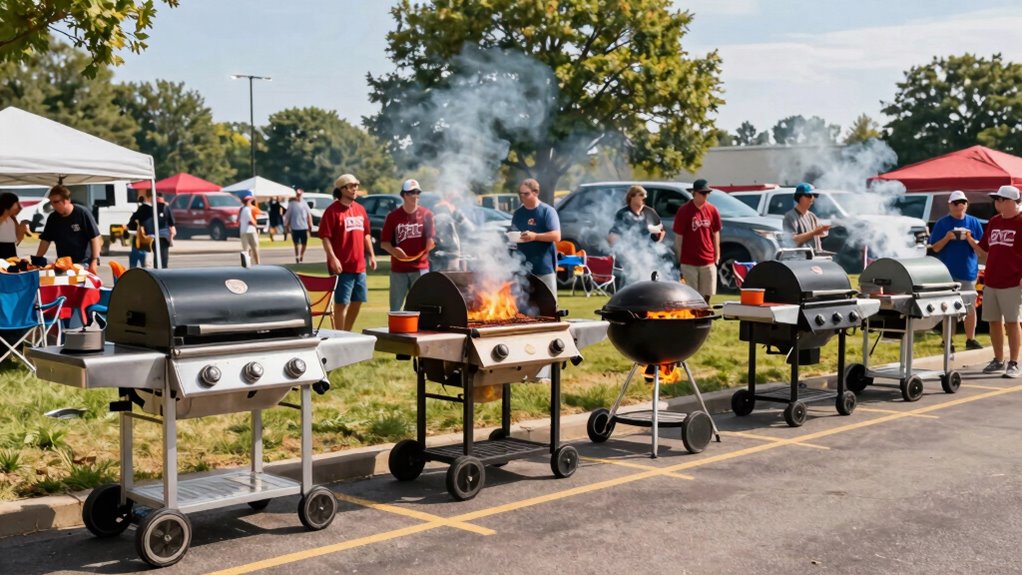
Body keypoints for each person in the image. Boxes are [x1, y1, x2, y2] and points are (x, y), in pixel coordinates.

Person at [928, 190, 985, 351]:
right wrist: (947, 237)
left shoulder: (973, 222)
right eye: (956, 203)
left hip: (968, 271)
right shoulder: (942, 223)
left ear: (966, 205)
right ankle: (947, 341)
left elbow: (981, 249)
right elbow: (936, 248)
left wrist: (970, 239)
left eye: (963, 202)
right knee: (948, 307)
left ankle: (970, 339)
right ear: (950, 205)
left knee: (970, 307)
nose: (960, 205)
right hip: (947, 273)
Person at [975, 185, 1022, 378]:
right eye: (996, 199)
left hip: (1013, 281)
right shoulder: (994, 221)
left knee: (1012, 322)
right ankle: (998, 359)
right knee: (993, 321)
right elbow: (985, 250)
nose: (997, 202)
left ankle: (1014, 363)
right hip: (992, 279)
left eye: (1001, 199)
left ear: (1011, 201)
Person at [320, 173, 377, 330]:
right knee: (341, 303)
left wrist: (371, 255)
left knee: (358, 300)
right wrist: (333, 258)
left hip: (359, 265)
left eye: (356, 186)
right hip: (342, 266)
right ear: (342, 189)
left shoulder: (360, 209)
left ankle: (347, 332)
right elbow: (325, 237)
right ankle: (339, 336)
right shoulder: (332, 211)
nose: (355, 189)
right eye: (351, 186)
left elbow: (366, 234)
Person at [381, 179, 435, 311]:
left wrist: (430, 243)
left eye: (418, 192)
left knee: (421, 307)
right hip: (399, 269)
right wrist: (394, 252)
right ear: (404, 195)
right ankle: (395, 331)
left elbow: (431, 238)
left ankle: (420, 331)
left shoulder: (426, 214)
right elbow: (384, 243)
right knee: (395, 308)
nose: (416, 196)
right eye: (412, 193)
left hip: (420, 267)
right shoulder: (393, 217)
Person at [673, 179, 721, 303]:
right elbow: (679, 236)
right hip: (689, 261)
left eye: (707, 193)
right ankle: (693, 318)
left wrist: (717, 254)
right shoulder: (684, 211)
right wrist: (679, 257)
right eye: (702, 193)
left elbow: (716, 233)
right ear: (694, 193)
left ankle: (704, 314)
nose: (706, 196)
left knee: (708, 292)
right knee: (691, 294)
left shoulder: (712, 210)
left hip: (708, 260)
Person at [512, 178, 561, 298]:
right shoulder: (518, 214)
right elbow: (514, 234)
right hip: (523, 269)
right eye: (521, 194)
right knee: (525, 309)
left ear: (535, 192)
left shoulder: (547, 211)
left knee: (549, 307)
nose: (522, 197)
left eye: (526, 194)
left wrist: (535, 236)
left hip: (544, 267)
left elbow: (556, 236)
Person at [35, 185, 101, 274]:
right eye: (51, 202)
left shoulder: (82, 213)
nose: (53, 206)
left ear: (66, 201)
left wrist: (95, 261)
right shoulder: (53, 218)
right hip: (63, 263)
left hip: (83, 262)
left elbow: (95, 238)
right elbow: (45, 240)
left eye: (56, 202)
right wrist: (37, 259)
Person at [127, 190, 176, 269]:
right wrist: (170, 237)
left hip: (147, 240)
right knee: (162, 265)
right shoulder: (164, 207)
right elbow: (172, 227)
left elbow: (131, 225)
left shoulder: (142, 209)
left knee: (147, 265)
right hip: (162, 238)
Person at [429, 191, 474, 272]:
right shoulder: (445, 211)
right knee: (451, 273)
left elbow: (469, 229)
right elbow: (470, 229)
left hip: (448, 251)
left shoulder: (453, 212)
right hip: (446, 251)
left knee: (449, 273)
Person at [782, 182, 830, 253]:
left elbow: (820, 235)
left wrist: (823, 230)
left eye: (814, 196)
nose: (812, 198)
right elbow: (793, 241)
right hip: (800, 259)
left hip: (814, 258)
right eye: (809, 195)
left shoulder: (812, 216)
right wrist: (814, 232)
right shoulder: (790, 217)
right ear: (799, 197)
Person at [285, 188, 314, 263]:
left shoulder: (304, 203)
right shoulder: (292, 204)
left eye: (300, 195)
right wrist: (286, 225)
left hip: (304, 227)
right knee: (296, 243)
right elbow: (288, 215)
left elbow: (309, 214)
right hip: (295, 227)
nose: (298, 196)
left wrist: (310, 224)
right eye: (298, 194)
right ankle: (297, 256)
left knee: (304, 243)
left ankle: (302, 255)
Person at [0, 192, 29, 259]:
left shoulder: (12, 218)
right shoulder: (3, 217)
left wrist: (22, 224)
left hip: (11, 249)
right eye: (16, 203)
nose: (18, 205)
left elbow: (18, 238)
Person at [127, 193, 148, 269]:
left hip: (138, 242)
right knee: (146, 268)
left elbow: (130, 226)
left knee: (133, 266)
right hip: (146, 242)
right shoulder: (149, 212)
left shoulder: (137, 213)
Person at [239, 194, 260, 265]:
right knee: (255, 248)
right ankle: (257, 263)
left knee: (246, 250)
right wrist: (256, 225)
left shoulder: (241, 209)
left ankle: (246, 264)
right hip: (250, 231)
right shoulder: (247, 209)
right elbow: (250, 220)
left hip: (243, 230)